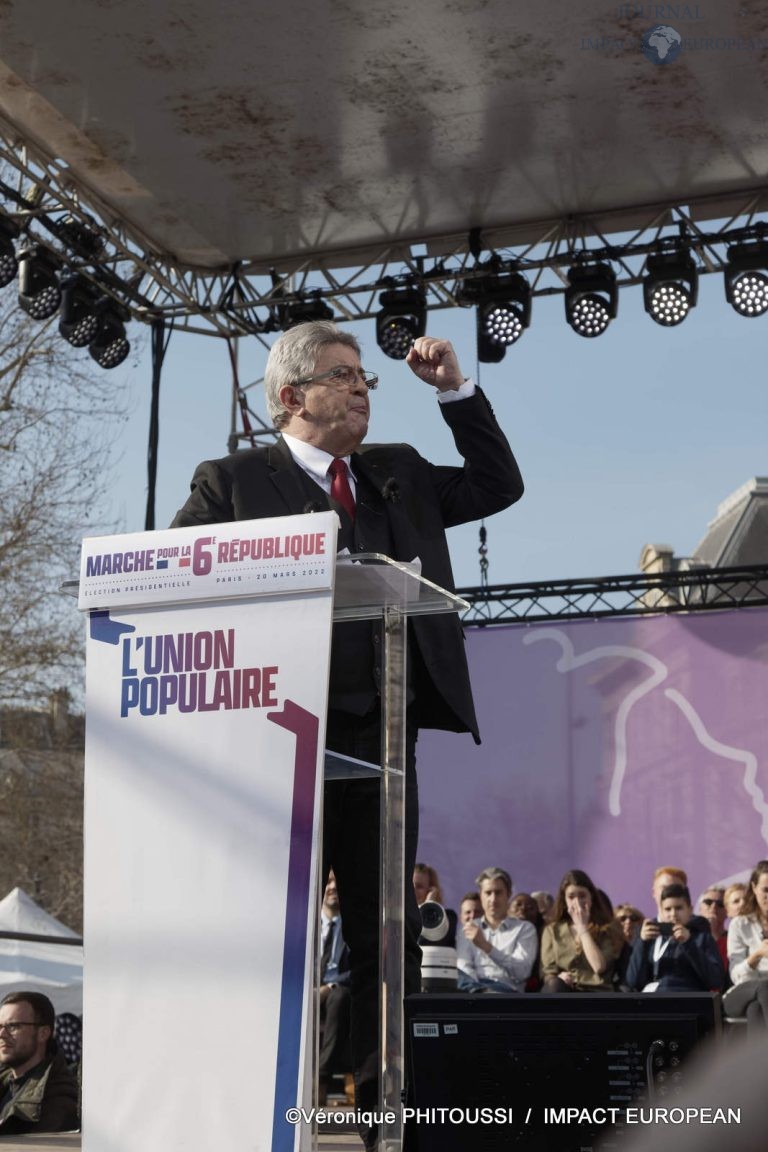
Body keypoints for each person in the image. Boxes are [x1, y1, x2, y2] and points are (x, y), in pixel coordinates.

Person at [172, 322, 523, 1144]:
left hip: (381, 737)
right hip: (275, 738)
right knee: (273, 935)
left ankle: (380, 1119)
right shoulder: (230, 483)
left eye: (368, 378)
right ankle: (253, 1114)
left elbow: (497, 485)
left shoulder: (395, 473)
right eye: (344, 376)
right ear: (292, 397)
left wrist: (454, 392)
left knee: (381, 934)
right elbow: (181, 576)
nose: (363, 388)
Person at [0, 991, 79, 1136]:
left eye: (13, 1026)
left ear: (43, 1033)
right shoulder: (6, 1083)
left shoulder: (58, 1099)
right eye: (0, 1026)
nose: (2, 1034)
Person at [626, 883, 724, 993]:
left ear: (690, 910)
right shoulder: (650, 938)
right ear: (661, 911)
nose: (673, 914)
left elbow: (716, 980)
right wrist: (642, 942)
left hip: (688, 1001)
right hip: (653, 1001)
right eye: (668, 909)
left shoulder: (702, 937)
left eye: (679, 908)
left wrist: (688, 943)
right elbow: (633, 981)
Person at [539, 869, 623, 992]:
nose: (577, 902)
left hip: (596, 992)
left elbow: (599, 966)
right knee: (554, 987)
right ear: (564, 901)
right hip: (564, 990)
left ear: (591, 898)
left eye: (582, 896)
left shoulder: (608, 928)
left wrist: (582, 927)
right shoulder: (552, 930)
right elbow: (547, 972)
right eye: (571, 897)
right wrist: (557, 977)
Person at [456, 867, 537, 992]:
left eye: (498, 892)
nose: (493, 899)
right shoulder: (468, 928)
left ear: (508, 894)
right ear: (481, 896)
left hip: (505, 991)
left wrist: (487, 947)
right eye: (488, 893)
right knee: (454, 972)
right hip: (474, 991)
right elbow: (464, 968)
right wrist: (480, 990)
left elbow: (522, 972)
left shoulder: (524, 928)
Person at [318, 872, 351, 1105]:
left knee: (339, 998)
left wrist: (329, 986)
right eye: (328, 881)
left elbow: (360, 967)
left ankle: (321, 1077)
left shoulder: (352, 927)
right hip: (303, 989)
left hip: (337, 991)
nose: (333, 887)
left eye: (338, 881)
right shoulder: (305, 922)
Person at [723, 859, 768, 1033]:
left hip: (758, 1001)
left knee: (755, 1009)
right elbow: (736, 976)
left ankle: (759, 1060)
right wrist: (756, 955)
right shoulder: (739, 924)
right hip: (741, 993)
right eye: (765, 890)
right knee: (764, 987)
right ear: (754, 887)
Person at [698, 885, 728, 975]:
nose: (714, 906)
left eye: (720, 904)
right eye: (708, 902)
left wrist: (714, 934)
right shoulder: (689, 936)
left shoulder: (734, 938)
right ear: (700, 908)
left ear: (727, 911)